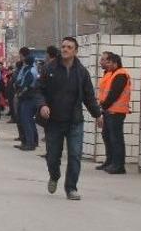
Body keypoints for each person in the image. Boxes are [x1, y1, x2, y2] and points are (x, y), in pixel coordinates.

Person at [32, 37, 101, 201]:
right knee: (53, 156)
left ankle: (71, 188)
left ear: (76, 51)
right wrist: (42, 105)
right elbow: (38, 90)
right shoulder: (49, 68)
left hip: (74, 121)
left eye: (69, 47)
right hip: (54, 121)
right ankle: (54, 176)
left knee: (75, 155)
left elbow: (89, 97)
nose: (65, 49)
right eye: (63, 46)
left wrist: (97, 114)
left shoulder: (82, 72)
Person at [96, 51, 131, 175]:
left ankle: (118, 165)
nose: (107, 64)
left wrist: (104, 106)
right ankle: (110, 162)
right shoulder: (111, 73)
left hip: (116, 111)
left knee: (116, 138)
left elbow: (114, 94)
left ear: (115, 63)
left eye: (109, 62)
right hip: (109, 111)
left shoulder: (121, 74)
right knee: (108, 136)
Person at [13, 48, 40, 151]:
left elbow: (25, 85)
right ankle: (32, 141)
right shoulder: (28, 69)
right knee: (29, 120)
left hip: (28, 97)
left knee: (26, 120)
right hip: (27, 96)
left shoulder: (30, 70)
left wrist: (19, 93)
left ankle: (30, 143)